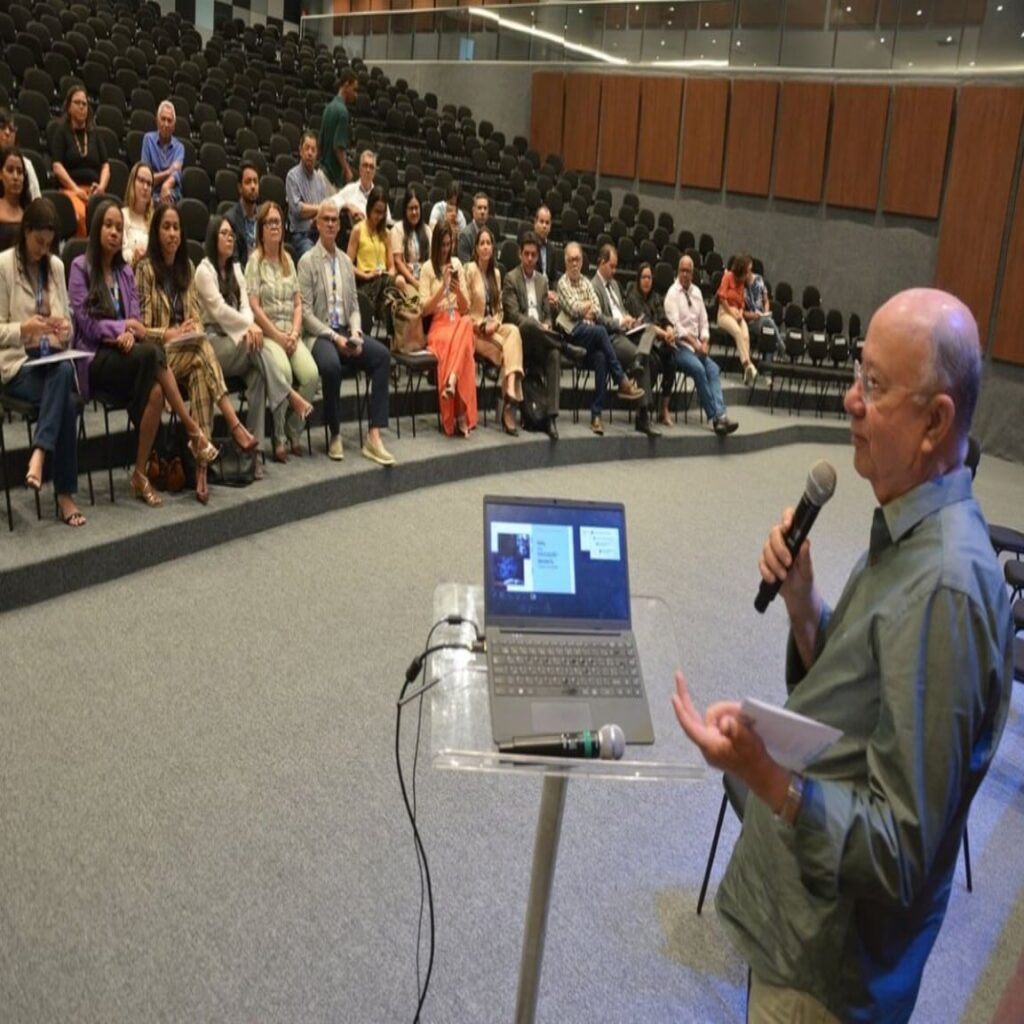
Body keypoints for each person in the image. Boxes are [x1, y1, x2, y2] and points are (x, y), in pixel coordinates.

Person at [673, 288, 1012, 1024]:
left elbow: (898, 851)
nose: (850, 399)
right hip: (803, 922)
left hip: (828, 972)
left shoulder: (947, 588)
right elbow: (861, 696)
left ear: (935, 422)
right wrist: (805, 606)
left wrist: (770, 779)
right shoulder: (906, 533)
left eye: (876, 385)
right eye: (858, 374)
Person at [69, 198, 193, 508]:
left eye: (119, 227)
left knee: (154, 393)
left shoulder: (125, 271)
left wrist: (128, 332)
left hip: (127, 359)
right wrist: (120, 332)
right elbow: (86, 323)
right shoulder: (79, 268)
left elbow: (136, 317)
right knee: (152, 354)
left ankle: (140, 474)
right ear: (97, 228)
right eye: (109, 225)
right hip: (94, 360)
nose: (114, 231)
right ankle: (191, 427)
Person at [136, 203, 258, 503]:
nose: (173, 234)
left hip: (187, 351)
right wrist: (170, 333)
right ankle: (233, 424)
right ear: (156, 232)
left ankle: (201, 468)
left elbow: (194, 315)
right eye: (166, 227)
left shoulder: (186, 268)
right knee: (203, 349)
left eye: (177, 228)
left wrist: (189, 326)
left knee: (201, 368)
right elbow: (140, 328)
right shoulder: (145, 269)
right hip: (157, 356)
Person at [196, 216, 314, 477]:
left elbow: (245, 307)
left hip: (241, 340)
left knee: (259, 377)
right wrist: (248, 328)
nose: (230, 238)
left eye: (231, 234)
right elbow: (219, 311)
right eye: (224, 233)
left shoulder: (236, 268)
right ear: (213, 238)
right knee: (256, 349)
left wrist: (250, 327)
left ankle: (254, 454)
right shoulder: (204, 270)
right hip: (214, 345)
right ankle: (289, 395)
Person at [0, 198, 85, 525]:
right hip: (18, 364)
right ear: (25, 233)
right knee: (63, 393)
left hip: (52, 357)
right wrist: (25, 329)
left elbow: (69, 322)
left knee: (62, 370)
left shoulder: (56, 267)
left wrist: (64, 329)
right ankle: (65, 495)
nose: (42, 250)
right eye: (38, 242)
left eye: (49, 244)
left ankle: (39, 453)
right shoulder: (5, 266)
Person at [298, 201, 395, 466]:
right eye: (325, 219)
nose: (330, 223)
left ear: (339, 226)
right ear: (317, 224)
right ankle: (335, 433)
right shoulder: (307, 262)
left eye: (334, 220)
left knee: (382, 356)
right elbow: (306, 315)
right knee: (330, 367)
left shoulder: (344, 261)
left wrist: (355, 331)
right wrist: (335, 337)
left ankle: (374, 436)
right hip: (320, 335)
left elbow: (353, 305)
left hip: (345, 331)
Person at [245, 201, 319, 463]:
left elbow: (298, 302)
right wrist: (277, 335)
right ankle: (279, 437)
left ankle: (293, 428)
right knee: (285, 373)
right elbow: (253, 306)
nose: (275, 226)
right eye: (269, 222)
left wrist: (296, 332)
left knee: (311, 375)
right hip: (268, 336)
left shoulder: (288, 258)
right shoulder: (255, 262)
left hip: (291, 334)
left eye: (278, 222)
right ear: (261, 229)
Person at [556, 242, 644, 435]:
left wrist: (584, 308)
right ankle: (621, 379)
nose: (574, 264)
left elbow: (595, 310)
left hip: (590, 335)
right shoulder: (562, 283)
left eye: (577, 259)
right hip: (573, 335)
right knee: (602, 332)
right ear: (565, 261)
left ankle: (596, 415)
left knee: (601, 358)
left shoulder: (586, 282)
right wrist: (584, 309)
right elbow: (573, 309)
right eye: (571, 260)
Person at [591, 244, 662, 438]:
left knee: (649, 328)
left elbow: (619, 309)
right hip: (611, 335)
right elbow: (599, 318)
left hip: (625, 330)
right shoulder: (593, 286)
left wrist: (629, 318)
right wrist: (620, 322)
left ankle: (638, 362)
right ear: (602, 262)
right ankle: (643, 416)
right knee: (641, 357)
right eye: (611, 266)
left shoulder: (614, 285)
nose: (614, 271)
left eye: (615, 267)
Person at [663, 255, 738, 435]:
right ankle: (716, 417)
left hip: (697, 347)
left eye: (688, 271)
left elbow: (704, 322)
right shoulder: (672, 294)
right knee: (698, 368)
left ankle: (721, 415)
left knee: (713, 369)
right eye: (682, 271)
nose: (685, 275)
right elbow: (676, 327)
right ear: (677, 271)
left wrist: (704, 342)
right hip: (680, 347)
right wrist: (695, 343)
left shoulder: (696, 292)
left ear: (693, 273)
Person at [502, 231, 564, 441]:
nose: (530, 259)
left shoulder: (542, 282)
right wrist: (539, 326)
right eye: (526, 254)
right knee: (529, 325)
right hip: (522, 340)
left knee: (554, 355)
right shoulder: (511, 278)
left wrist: (546, 324)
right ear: (520, 254)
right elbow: (513, 316)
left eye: (533, 255)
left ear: (538, 257)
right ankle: (564, 345)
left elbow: (548, 315)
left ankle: (550, 418)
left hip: (543, 341)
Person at [418, 221, 477, 438]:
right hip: (439, 325)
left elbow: (465, 307)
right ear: (435, 245)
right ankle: (460, 414)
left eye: (448, 244)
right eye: (441, 245)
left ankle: (451, 380)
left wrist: (457, 290)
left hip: (457, 322)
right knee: (465, 349)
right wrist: (442, 288)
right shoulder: (426, 268)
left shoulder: (457, 265)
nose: (445, 249)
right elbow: (424, 310)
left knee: (467, 323)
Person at [465, 227, 523, 436]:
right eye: (482, 243)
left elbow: (499, 310)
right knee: (509, 350)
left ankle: (508, 390)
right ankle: (509, 407)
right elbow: (465, 308)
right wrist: (482, 326)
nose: (486, 247)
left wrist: (495, 324)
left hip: (493, 328)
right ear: (476, 248)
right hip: (476, 332)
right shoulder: (469, 270)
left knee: (514, 332)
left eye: (489, 243)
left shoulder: (496, 273)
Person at [50, 85, 110, 237]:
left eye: (85, 104)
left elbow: (105, 166)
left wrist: (101, 187)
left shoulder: (94, 134)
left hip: (94, 191)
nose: (82, 107)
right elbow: (57, 166)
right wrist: (76, 189)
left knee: (108, 218)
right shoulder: (61, 132)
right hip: (71, 190)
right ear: (69, 107)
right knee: (82, 215)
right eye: (78, 103)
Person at [625, 262, 677, 427]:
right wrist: (664, 334)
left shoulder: (655, 297)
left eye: (649, 277)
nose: (647, 281)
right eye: (644, 277)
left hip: (658, 342)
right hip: (641, 341)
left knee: (672, 360)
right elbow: (646, 325)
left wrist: (669, 329)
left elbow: (663, 318)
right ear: (638, 279)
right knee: (653, 363)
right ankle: (644, 407)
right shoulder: (633, 297)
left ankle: (664, 408)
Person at [346, 185, 396, 326]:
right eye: (376, 212)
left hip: (383, 280)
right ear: (369, 208)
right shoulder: (358, 230)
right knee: (382, 286)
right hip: (365, 280)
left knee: (393, 283)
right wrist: (366, 275)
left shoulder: (386, 234)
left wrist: (388, 274)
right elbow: (347, 264)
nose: (379, 217)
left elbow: (392, 266)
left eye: (382, 213)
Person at [285, 132, 332, 259]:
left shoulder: (320, 179)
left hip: (319, 234)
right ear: (300, 151)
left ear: (317, 154)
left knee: (337, 259)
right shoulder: (292, 176)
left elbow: (324, 211)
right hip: (300, 235)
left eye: (313, 150)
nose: (310, 153)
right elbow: (297, 210)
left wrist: (319, 214)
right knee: (314, 260)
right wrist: (319, 209)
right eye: (307, 148)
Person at [716, 253, 757, 386]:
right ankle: (748, 365)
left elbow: (742, 304)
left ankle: (747, 373)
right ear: (742, 270)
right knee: (738, 332)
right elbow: (721, 298)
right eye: (748, 271)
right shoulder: (728, 276)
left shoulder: (742, 284)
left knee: (745, 336)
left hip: (736, 313)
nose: (750, 274)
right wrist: (732, 313)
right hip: (724, 313)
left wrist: (739, 313)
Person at [333, 149, 393, 227]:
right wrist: (348, 206)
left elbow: (388, 222)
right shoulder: (349, 189)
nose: (368, 170)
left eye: (371, 167)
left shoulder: (380, 196)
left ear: (374, 172)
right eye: (365, 165)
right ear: (360, 169)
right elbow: (331, 203)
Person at [141, 101, 185, 206]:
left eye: (170, 121)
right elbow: (147, 177)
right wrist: (169, 171)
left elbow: (175, 176)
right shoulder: (148, 140)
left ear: (174, 126)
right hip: (149, 189)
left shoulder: (179, 147)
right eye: (163, 119)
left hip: (171, 192)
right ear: (157, 121)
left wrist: (166, 185)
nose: (166, 124)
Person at [319, 69, 358, 189]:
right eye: (354, 89)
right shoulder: (343, 112)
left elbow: (321, 142)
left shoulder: (328, 107)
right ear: (346, 85)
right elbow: (338, 147)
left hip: (321, 173)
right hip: (330, 178)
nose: (356, 94)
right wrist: (347, 170)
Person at [391, 188, 431, 290]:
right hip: (406, 277)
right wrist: (415, 283)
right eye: (410, 208)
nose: (414, 212)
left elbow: (431, 260)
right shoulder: (397, 229)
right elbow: (398, 262)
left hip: (424, 276)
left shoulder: (427, 230)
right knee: (400, 281)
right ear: (405, 210)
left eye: (416, 208)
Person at [225, 162, 261, 269]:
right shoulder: (230, 220)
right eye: (248, 182)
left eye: (255, 181)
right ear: (240, 188)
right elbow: (233, 261)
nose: (253, 186)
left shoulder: (263, 217)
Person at [0, 110, 41, 200]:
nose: (7, 132)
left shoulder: (26, 164)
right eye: (2, 127)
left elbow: (36, 200)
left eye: (11, 129)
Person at [121, 161, 154, 267]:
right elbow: (119, 253)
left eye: (149, 184)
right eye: (141, 181)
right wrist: (134, 256)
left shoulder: (155, 221)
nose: (145, 187)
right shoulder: (122, 216)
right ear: (132, 182)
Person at [743, 262, 779, 357]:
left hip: (762, 318)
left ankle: (768, 365)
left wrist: (766, 312)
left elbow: (766, 301)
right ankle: (781, 347)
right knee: (769, 326)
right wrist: (752, 315)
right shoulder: (740, 286)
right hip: (750, 321)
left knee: (767, 325)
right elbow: (740, 312)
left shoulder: (759, 280)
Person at [0, 147, 29, 253]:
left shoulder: (29, 213)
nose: (15, 177)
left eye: (20, 171)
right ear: (1, 174)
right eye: (10, 170)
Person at [532, 205, 562, 294]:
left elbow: (554, 277)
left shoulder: (552, 249)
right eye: (541, 222)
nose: (544, 226)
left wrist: (554, 292)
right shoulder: (529, 245)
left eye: (547, 223)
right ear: (535, 223)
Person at [457, 192, 489, 264]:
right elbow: (466, 266)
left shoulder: (490, 235)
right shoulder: (465, 235)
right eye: (479, 208)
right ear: (473, 211)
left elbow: (493, 264)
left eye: (485, 208)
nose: (482, 211)